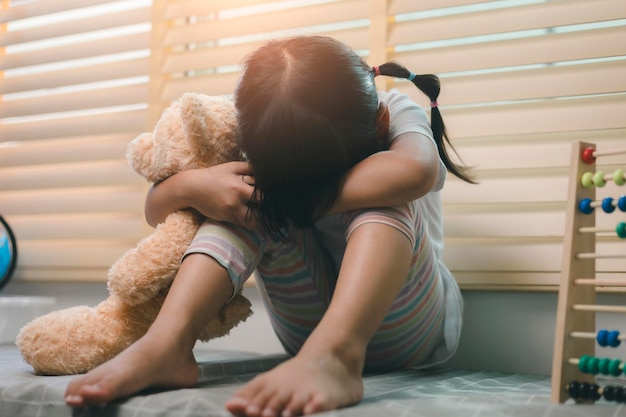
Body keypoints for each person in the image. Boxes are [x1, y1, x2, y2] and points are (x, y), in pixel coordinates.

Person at [64, 35, 474, 417]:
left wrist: (280, 198)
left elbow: (415, 171)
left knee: (382, 197)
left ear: (380, 123)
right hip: (304, 330)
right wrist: (195, 185)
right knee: (238, 202)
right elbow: (157, 211)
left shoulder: (395, 109)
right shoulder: (262, 118)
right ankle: (167, 343)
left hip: (411, 332)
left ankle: (336, 355)